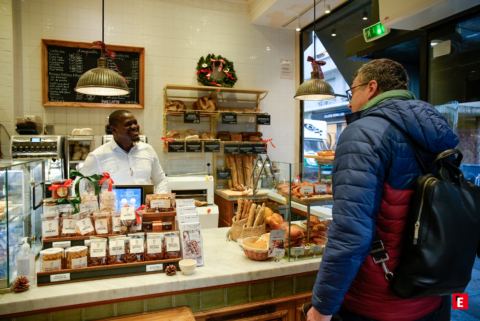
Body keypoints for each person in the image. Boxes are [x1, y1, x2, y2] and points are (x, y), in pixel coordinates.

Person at [306, 59, 458, 321]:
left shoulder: (362, 133)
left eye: (352, 91)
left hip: (378, 299)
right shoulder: (438, 129)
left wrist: (322, 308)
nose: (349, 101)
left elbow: (350, 233)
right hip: (432, 293)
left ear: (372, 87)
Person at [80, 110, 168, 194]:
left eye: (135, 122)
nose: (134, 126)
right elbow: (80, 184)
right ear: (114, 130)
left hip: (144, 209)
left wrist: (159, 200)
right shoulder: (98, 156)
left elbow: (160, 180)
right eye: (128, 124)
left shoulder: (148, 150)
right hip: (114, 209)